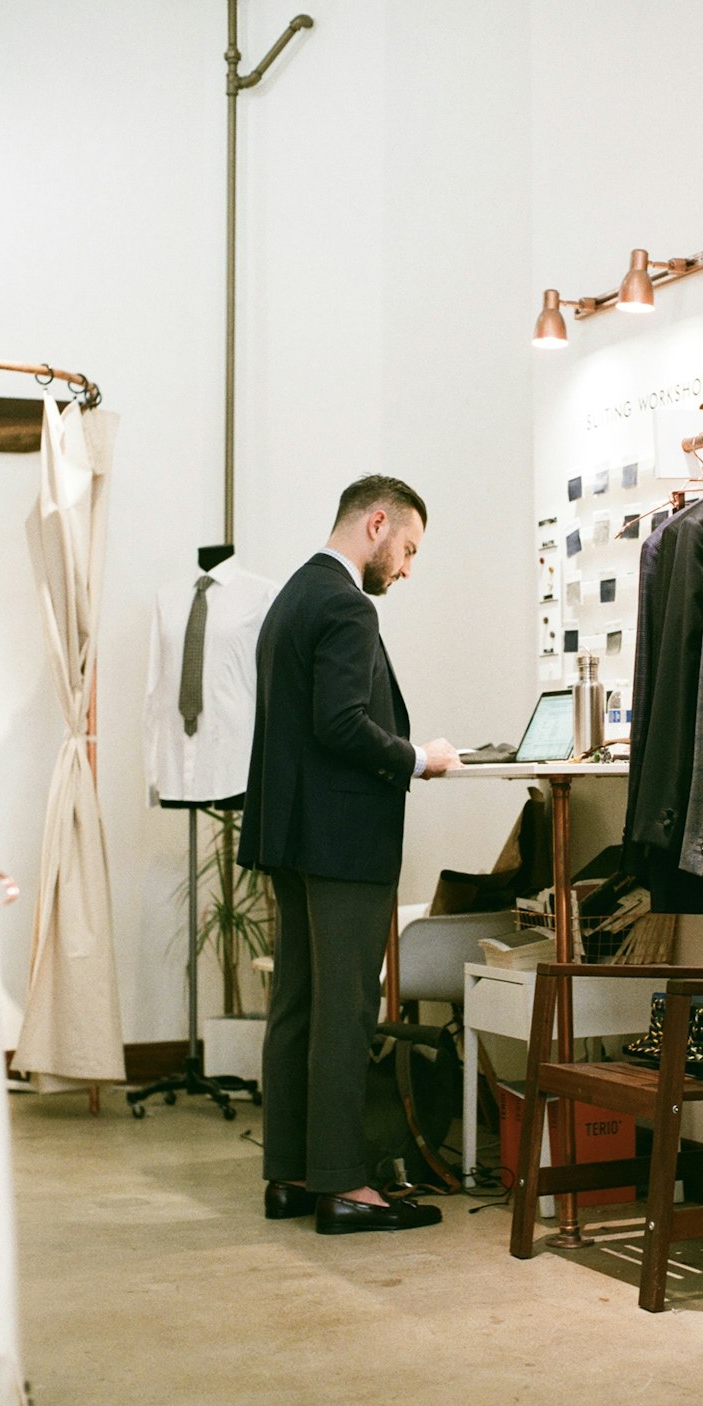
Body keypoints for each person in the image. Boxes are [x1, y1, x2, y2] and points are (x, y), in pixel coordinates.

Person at [238, 475, 461, 1235]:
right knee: (344, 1009)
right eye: (407, 548)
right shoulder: (344, 603)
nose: (405, 567)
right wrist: (416, 757)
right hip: (341, 842)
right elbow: (340, 724)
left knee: (298, 1004)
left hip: (293, 837)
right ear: (376, 523)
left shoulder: (294, 595)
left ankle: (291, 1173)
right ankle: (342, 1186)